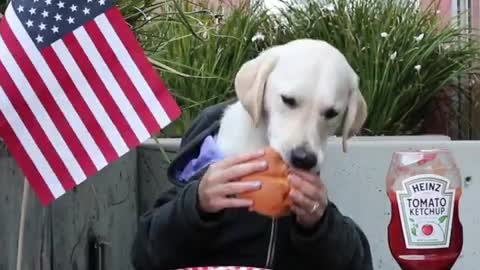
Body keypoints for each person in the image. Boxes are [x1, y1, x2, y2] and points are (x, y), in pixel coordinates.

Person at [131, 102, 373, 270]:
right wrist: (196, 206)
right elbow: (145, 255)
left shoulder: (306, 215)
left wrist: (320, 223)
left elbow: (358, 262)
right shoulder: (194, 198)